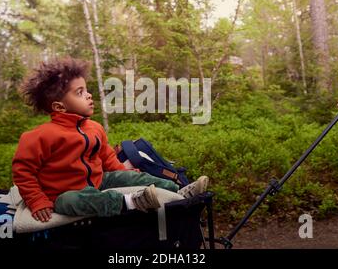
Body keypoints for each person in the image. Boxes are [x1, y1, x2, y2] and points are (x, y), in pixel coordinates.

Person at [12, 57, 209, 223]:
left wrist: (124, 174)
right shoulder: (39, 136)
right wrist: (37, 200)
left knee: (135, 176)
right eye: (79, 93)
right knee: (72, 201)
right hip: (63, 194)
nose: (89, 95)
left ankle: (180, 191)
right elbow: (23, 172)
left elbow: (106, 156)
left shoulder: (94, 127)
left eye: (86, 90)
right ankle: (131, 202)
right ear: (60, 107)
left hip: (99, 180)